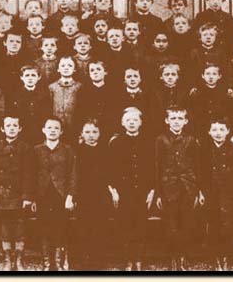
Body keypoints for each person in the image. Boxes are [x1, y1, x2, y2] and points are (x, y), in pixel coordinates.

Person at [155, 105, 203, 271]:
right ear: (167, 121)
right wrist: (159, 193)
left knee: (187, 223)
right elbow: (157, 167)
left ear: (186, 121)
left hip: (187, 188)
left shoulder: (191, 140)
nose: (176, 122)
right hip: (168, 189)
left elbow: (198, 166)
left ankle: (183, 256)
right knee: (171, 224)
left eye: (180, 119)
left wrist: (198, 191)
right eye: (173, 119)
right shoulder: (160, 140)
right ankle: (173, 256)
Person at [108, 107, 155, 271]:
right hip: (123, 191)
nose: (132, 123)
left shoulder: (149, 142)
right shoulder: (116, 142)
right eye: (128, 120)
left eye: (135, 120)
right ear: (122, 123)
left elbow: (153, 168)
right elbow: (110, 169)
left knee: (140, 224)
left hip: (143, 190)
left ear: (141, 122)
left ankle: (138, 259)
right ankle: (128, 259)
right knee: (125, 224)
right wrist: (114, 190)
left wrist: (152, 191)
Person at [201, 116, 233, 270]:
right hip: (211, 195)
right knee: (213, 225)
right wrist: (201, 192)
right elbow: (199, 173)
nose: (218, 133)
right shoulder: (204, 150)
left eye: (222, 129)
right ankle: (216, 259)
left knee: (229, 228)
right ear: (208, 132)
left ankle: (226, 257)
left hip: (231, 196)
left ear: (228, 131)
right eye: (214, 129)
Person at [34, 117, 77, 271]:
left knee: (60, 228)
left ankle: (58, 262)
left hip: (61, 195)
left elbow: (73, 175)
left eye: (56, 128)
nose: (52, 131)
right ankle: (46, 263)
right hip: (42, 195)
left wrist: (70, 197)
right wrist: (33, 199)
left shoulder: (67, 150)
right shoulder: (37, 150)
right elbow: (31, 174)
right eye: (49, 128)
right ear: (43, 130)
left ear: (61, 131)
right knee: (44, 228)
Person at [0, 115, 34, 271]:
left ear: (20, 128)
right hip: (3, 194)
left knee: (20, 226)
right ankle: (7, 259)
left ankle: (19, 259)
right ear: (2, 128)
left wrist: (27, 196)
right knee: (4, 226)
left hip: (19, 194)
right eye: (8, 125)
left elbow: (29, 174)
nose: (11, 128)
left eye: (15, 125)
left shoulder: (25, 147)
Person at [75, 118, 109, 270]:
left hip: (101, 193)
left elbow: (110, 173)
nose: (91, 135)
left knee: (100, 225)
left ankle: (98, 258)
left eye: (94, 132)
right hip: (83, 194)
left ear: (100, 134)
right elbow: (74, 175)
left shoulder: (105, 150)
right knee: (84, 224)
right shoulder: (77, 151)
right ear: (81, 134)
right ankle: (84, 258)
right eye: (87, 132)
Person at [7, 65, 52, 145]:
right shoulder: (16, 95)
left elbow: (47, 114)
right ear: (21, 77)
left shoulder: (44, 95)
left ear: (39, 77)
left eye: (33, 75)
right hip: (21, 132)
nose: (30, 78)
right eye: (27, 75)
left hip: (39, 132)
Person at [48, 56, 83, 142]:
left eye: (70, 65)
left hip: (74, 127)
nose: (66, 68)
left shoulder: (79, 87)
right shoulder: (52, 87)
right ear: (58, 69)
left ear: (74, 69)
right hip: (56, 129)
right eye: (63, 66)